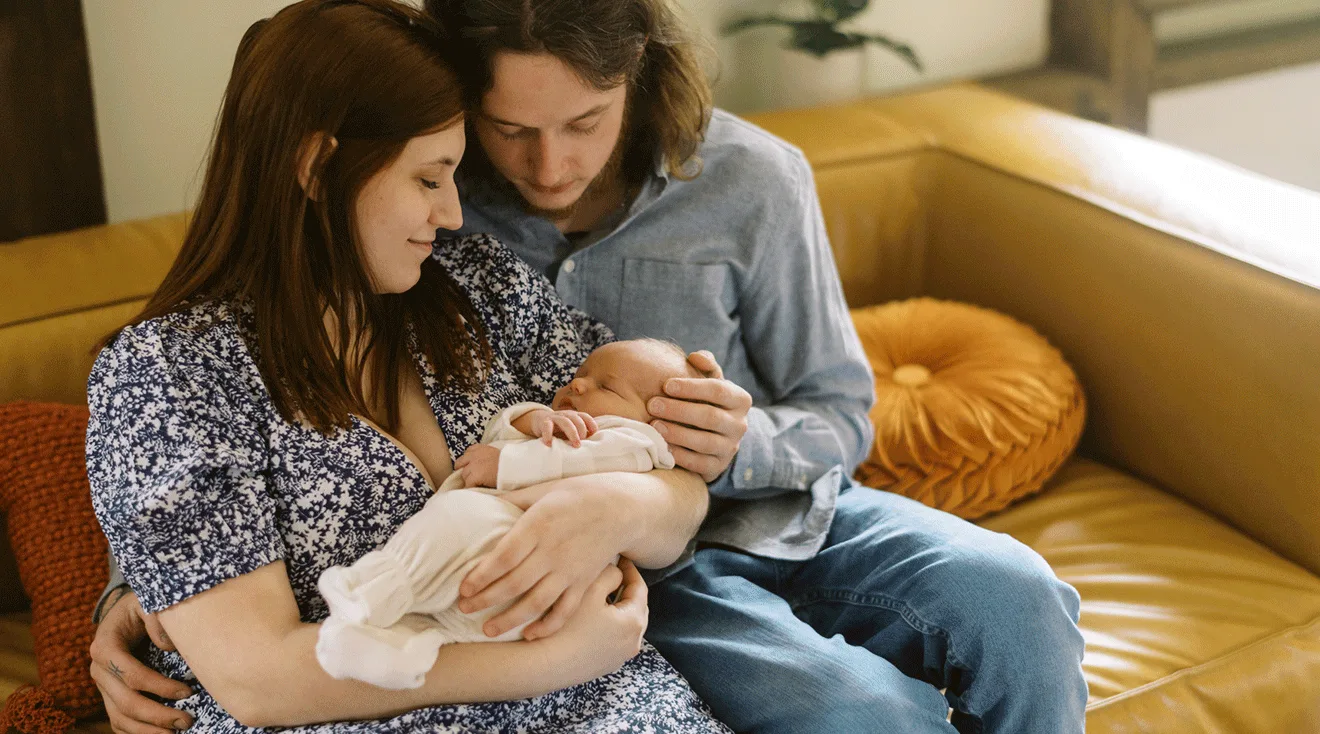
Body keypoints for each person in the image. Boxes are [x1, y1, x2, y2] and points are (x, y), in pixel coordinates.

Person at [94, 1, 1090, 733]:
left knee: (1020, 597)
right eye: (508, 133)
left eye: (583, 123)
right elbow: (181, 484)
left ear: (640, 78)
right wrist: (135, 602)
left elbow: (831, 415)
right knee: (860, 711)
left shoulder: (731, 188)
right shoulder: (438, 230)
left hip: (755, 514)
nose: (546, 167)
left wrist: (698, 460)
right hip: (606, 593)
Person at [84, 1, 731, 731]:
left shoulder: (476, 288)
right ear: (317, 166)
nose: (454, 213)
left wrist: (620, 506)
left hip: (609, 699)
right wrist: (552, 662)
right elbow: (258, 679)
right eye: (428, 180)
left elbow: (677, 493)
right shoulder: (170, 373)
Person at [315, 338, 701, 690]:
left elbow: (585, 457)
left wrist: (506, 465)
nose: (579, 385)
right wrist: (531, 419)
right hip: (511, 607)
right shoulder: (561, 425)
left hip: (535, 571)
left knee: (458, 517)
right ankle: (383, 647)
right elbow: (497, 430)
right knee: (445, 618)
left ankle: (366, 593)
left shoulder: (637, 443)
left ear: (658, 424)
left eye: (607, 387)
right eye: (580, 375)